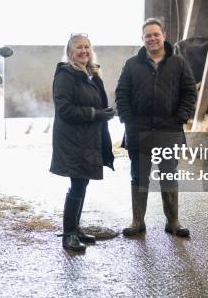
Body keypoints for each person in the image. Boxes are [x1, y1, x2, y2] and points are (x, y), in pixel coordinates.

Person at [115, 18, 197, 238]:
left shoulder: (178, 63)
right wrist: (128, 121)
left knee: (169, 176)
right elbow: (121, 94)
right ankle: (137, 221)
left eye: (155, 34)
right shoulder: (132, 64)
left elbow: (190, 92)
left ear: (164, 35)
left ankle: (173, 222)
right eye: (147, 35)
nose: (152, 38)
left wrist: (180, 118)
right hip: (138, 130)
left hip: (169, 131)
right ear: (142, 39)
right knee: (139, 177)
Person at [50, 34, 115, 252]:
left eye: (87, 47)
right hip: (72, 140)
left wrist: (104, 113)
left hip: (88, 139)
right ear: (70, 51)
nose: (84, 51)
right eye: (79, 47)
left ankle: (75, 229)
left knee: (83, 182)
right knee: (77, 183)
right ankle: (68, 235)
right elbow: (64, 109)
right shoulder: (65, 74)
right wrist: (95, 114)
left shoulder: (91, 74)